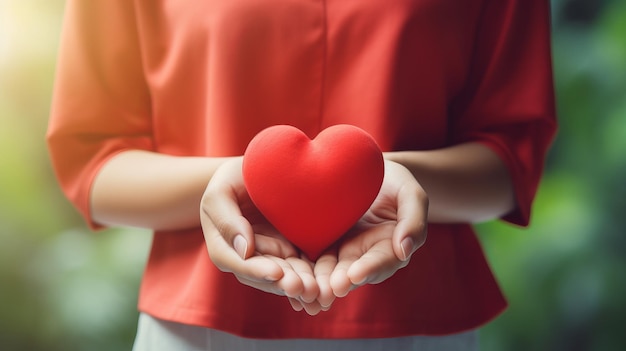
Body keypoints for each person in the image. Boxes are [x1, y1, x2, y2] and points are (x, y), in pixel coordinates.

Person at [46, 0, 557, 350]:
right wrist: (235, 183)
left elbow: (509, 159)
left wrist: (384, 178)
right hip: (200, 330)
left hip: (418, 324)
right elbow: (95, 163)